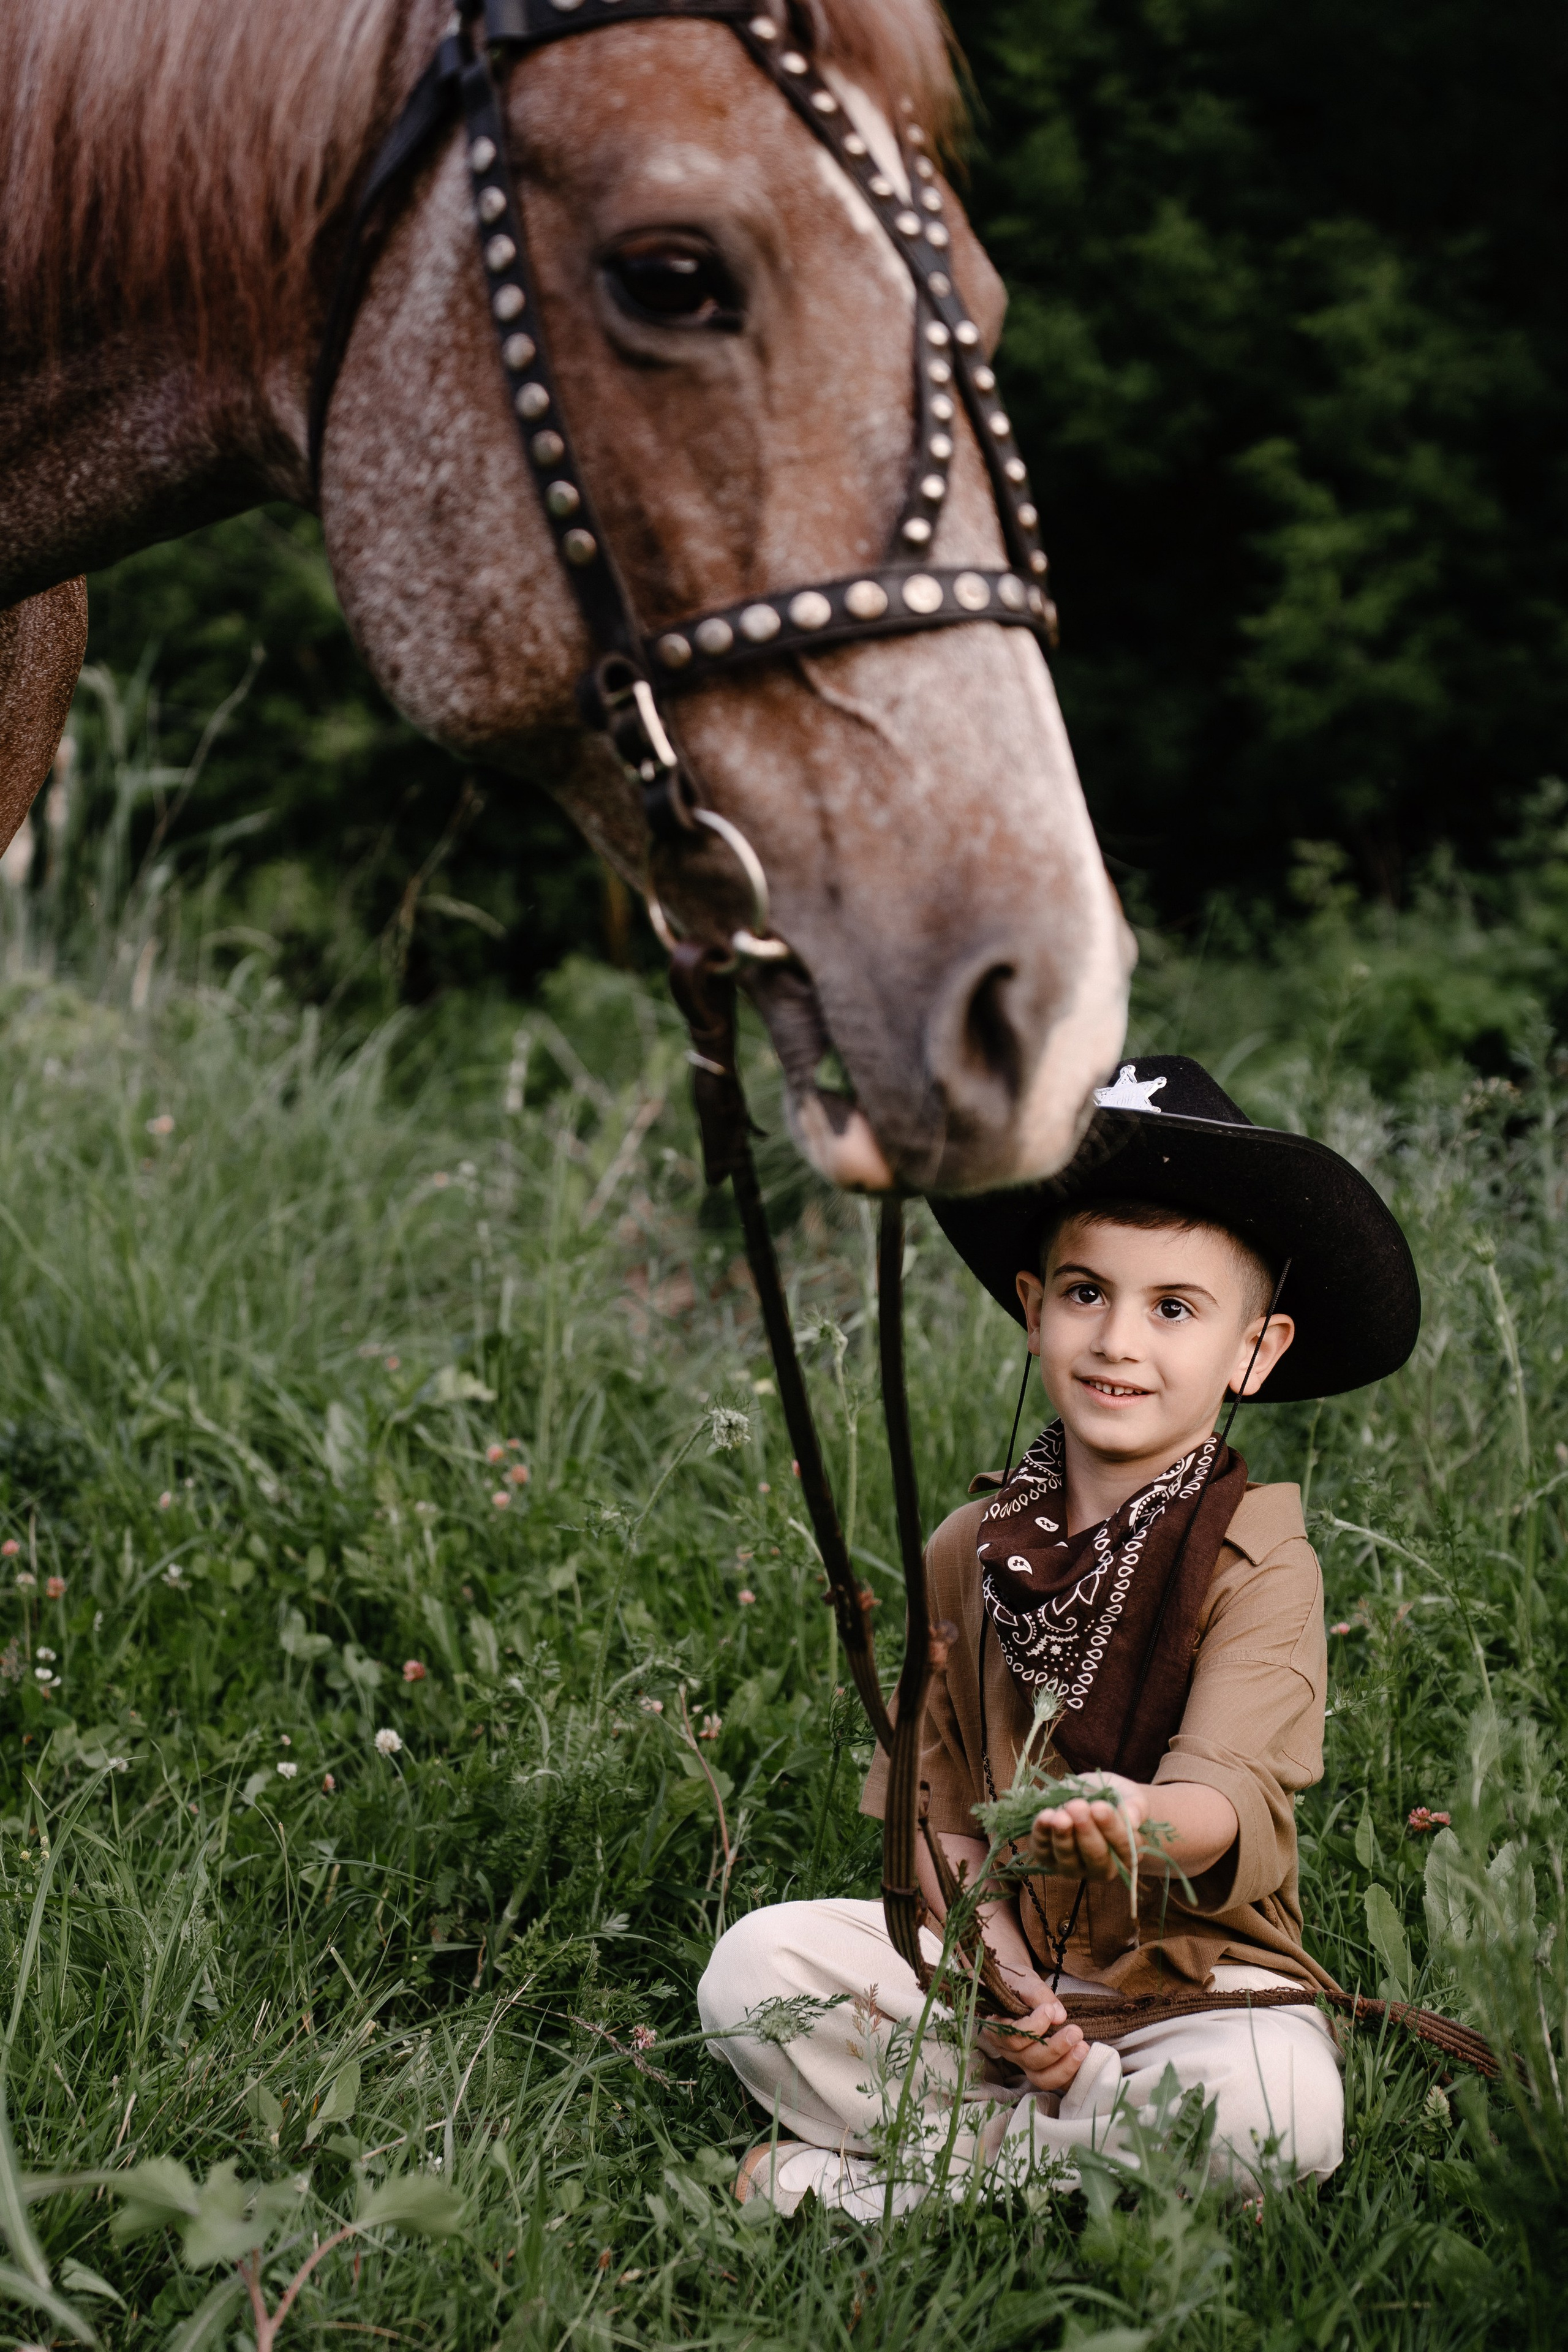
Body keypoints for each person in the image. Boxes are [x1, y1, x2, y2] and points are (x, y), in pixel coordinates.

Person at [698, 1055, 1420, 2215]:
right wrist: (1009, 1979)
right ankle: (1065, 2144)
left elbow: (1224, 1800)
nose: (1118, 1341)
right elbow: (935, 1816)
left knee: (1276, 2114)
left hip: (1192, 1990)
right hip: (1008, 1972)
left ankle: (902, 2189)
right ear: (1034, 1309)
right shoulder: (969, 1546)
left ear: (1255, 1351)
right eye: (1087, 1293)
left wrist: (1134, 1824)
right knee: (756, 1971)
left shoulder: (1260, 1559)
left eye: (1174, 1308)